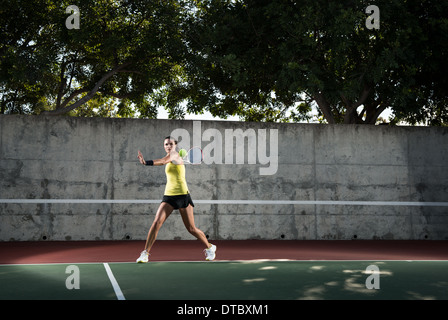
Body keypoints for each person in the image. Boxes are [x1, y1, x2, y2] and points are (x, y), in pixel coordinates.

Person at [136, 136, 216, 263]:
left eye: (170, 144)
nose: (168, 146)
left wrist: (146, 162)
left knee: (191, 229)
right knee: (156, 223)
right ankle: (145, 253)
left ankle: (210, 247)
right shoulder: (171, 157)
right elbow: (164, 161)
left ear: (175, 145)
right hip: (169, 196)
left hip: (183, 195)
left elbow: (162, 161)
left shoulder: (174, 155)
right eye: (166, 144)